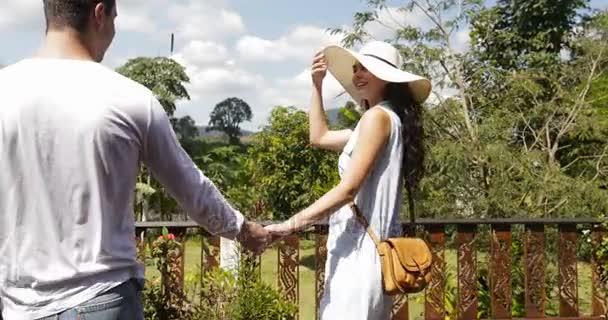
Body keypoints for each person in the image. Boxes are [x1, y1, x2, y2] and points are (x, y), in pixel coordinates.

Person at [0, 0, 269, 319]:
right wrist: (243, 229)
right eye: (115, 17)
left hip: (20, 307)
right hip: (102, 298)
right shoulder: (129, 98)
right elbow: (191, 188)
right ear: (99, 14)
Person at [265, 41, 431, 319]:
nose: (357, 74)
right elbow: (318, 137)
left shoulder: (377, 118)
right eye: (355, 68)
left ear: (387, 78)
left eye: (366, 68)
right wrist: (317, 85)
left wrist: (290, 225)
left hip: (361, 255)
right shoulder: (384, 119)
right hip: (365, 251)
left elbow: (348, 189)